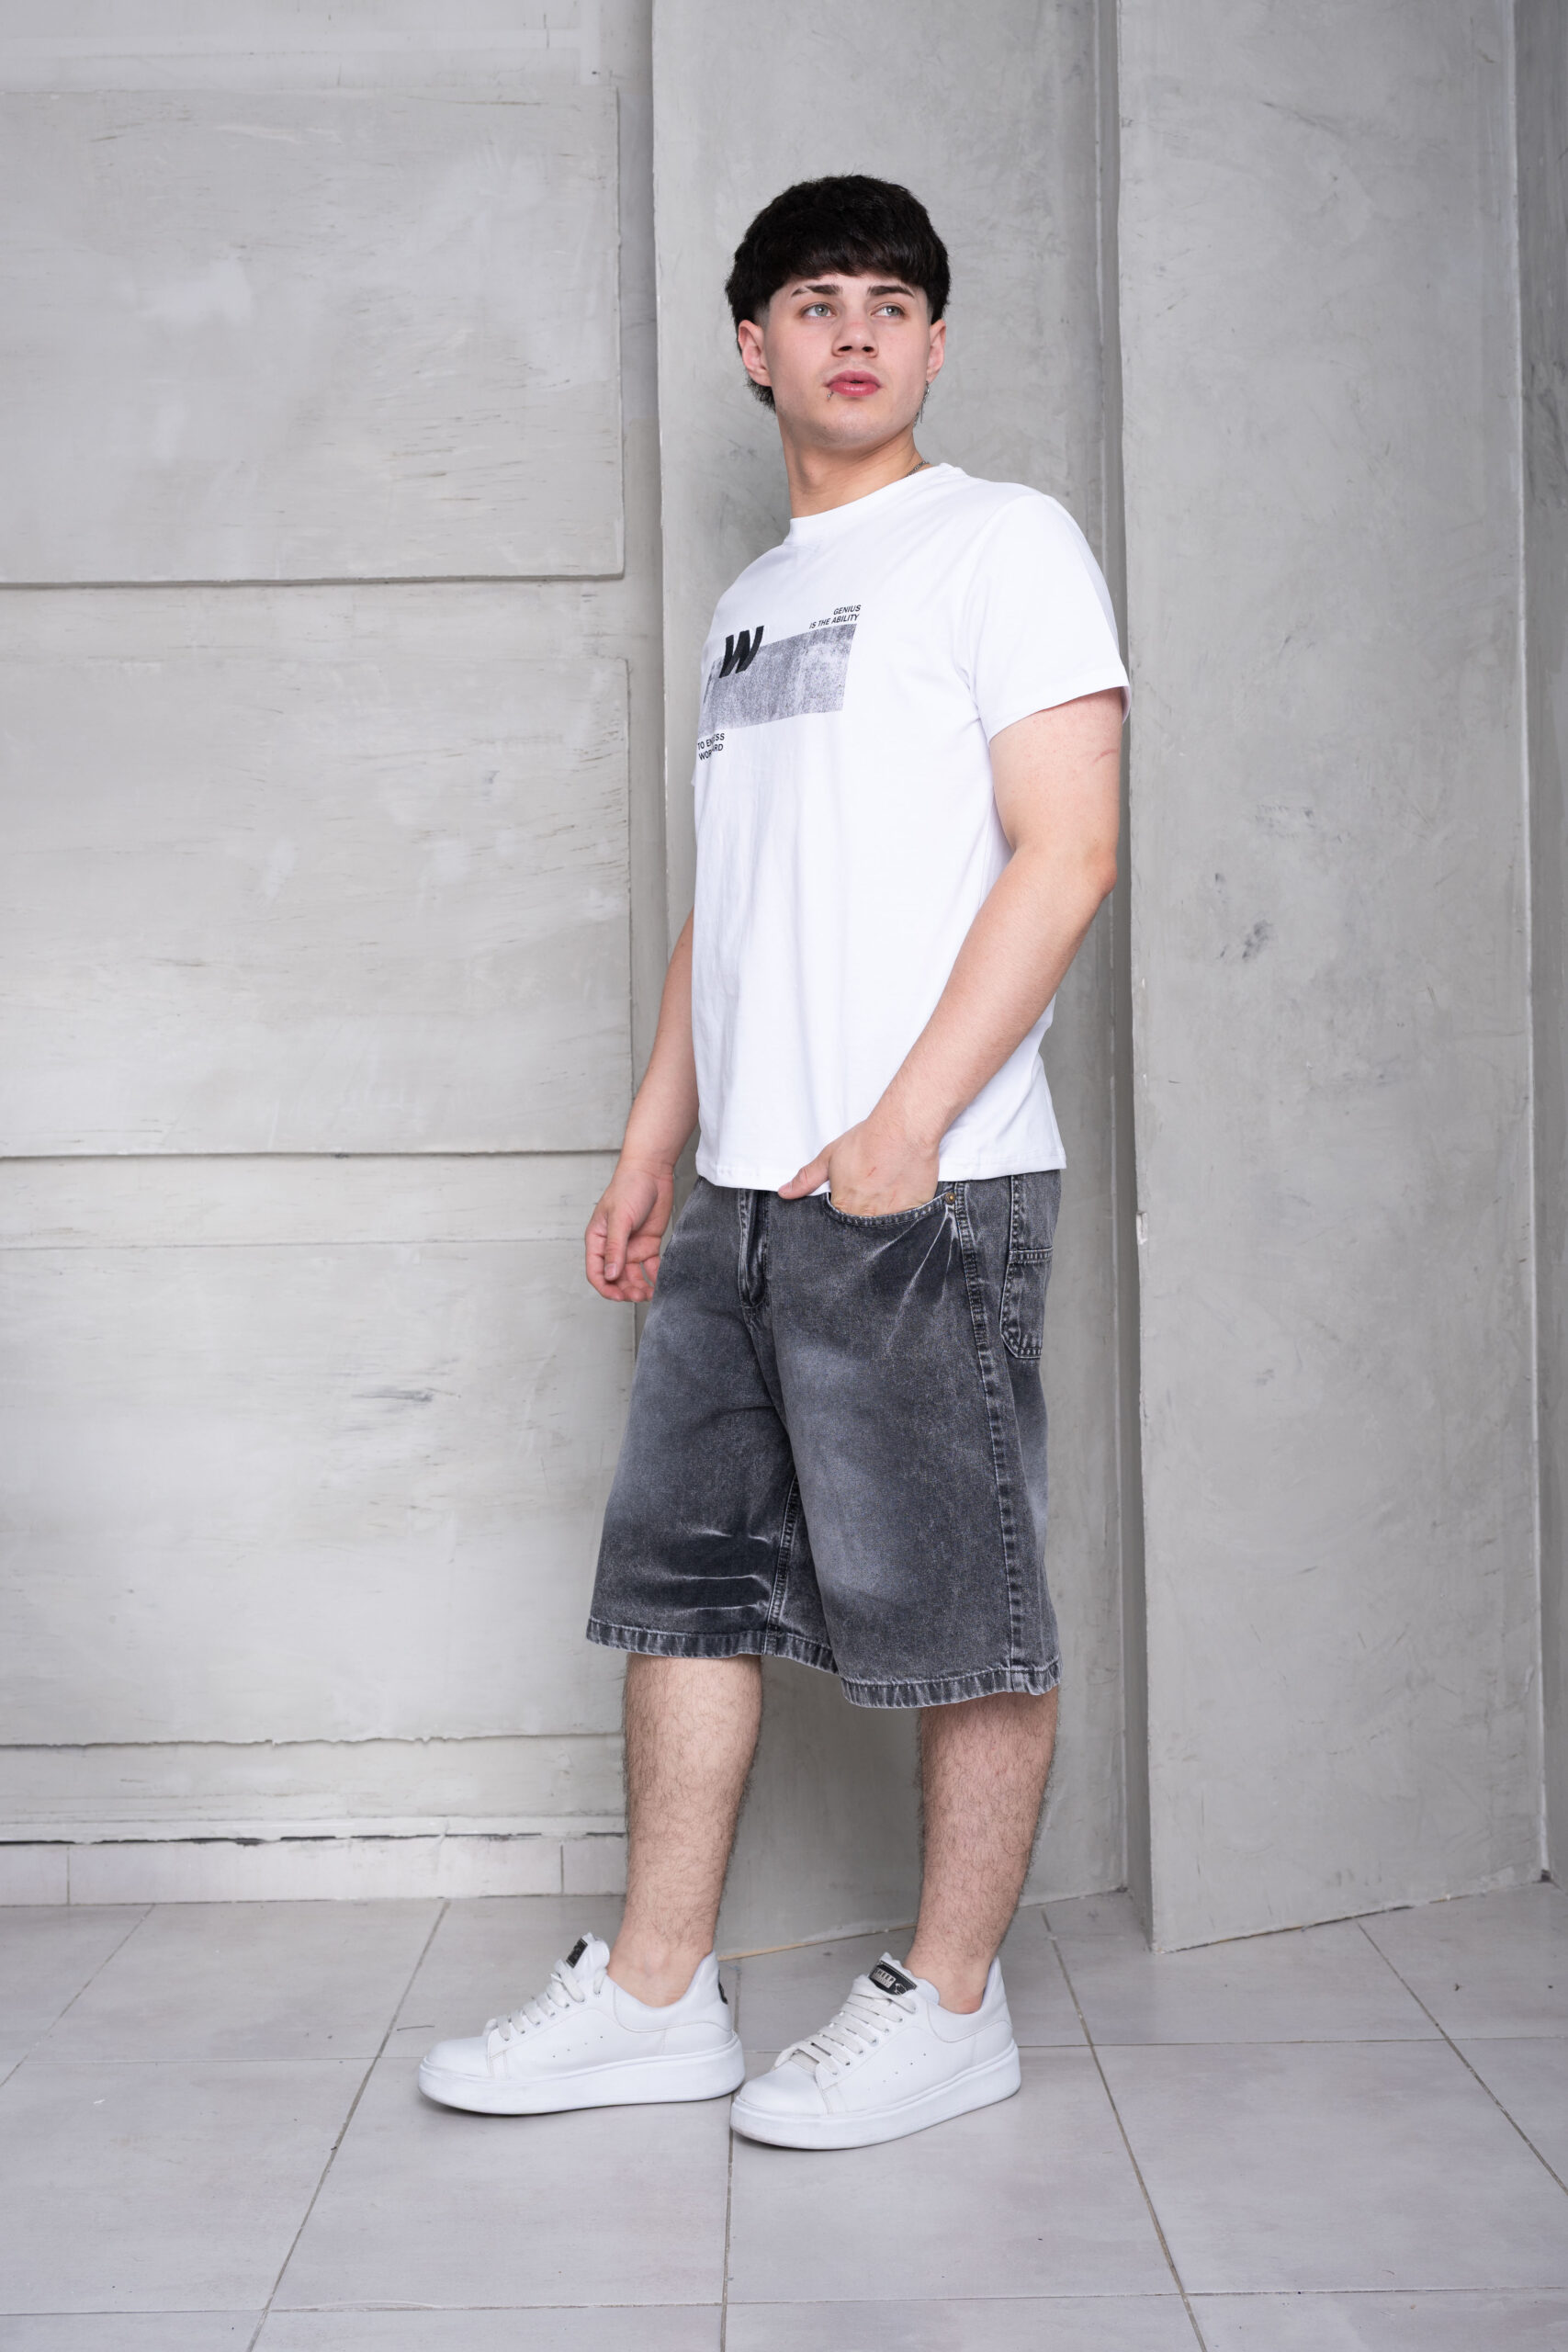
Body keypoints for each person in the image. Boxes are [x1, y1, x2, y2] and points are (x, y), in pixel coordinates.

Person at [420, 174, 1127, 2150]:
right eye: (817, 299)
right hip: (737, 1192)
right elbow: (725, 907)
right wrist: (656, 1139)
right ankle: (657, 1996)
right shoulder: (748, 602)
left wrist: (904, 1124)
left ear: (932, 342)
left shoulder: (1001, 542)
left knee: (961, 1603)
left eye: (892, 300)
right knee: (684, 1595)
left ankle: (953, 2003)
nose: (856, 329)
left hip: (925, 1183)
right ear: (755, 345)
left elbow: (1068, 848)